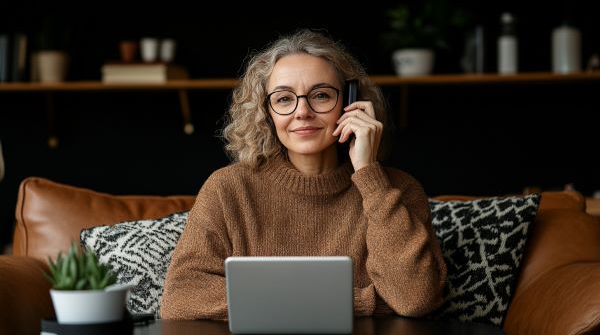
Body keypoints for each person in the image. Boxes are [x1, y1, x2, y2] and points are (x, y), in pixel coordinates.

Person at [160, 29, 446, 320]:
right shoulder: (228, 188)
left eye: (321, 95)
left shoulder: (398, 189)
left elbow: (415, 299)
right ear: (265, 111)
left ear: (351, 103)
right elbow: (182, 297)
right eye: (284, 99)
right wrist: (362, 301)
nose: (303, 111)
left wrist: (369, 176)